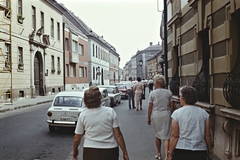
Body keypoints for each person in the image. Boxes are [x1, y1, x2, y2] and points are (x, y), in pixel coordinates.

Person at [73, 86, 129, 160]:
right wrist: (125, 152)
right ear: (100, 98)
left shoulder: (83, 115)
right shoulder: (110, 112)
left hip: (90, 151)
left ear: (85, 101)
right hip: (110, 150)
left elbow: (77, 137)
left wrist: (75, 150)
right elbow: (118, 135)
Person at [167, 86, 212, 160]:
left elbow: (174, 135)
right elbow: (207, 135)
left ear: (184, 98)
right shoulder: (204, 114)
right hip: (200, 150)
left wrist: (170, 153)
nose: (179, 98)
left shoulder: (177, 113)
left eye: (180, 96)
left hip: (182, 149)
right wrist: (210, 151)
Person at [147, 75, 174, 160]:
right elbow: (171, 105)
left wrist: (148, 117)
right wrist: (172, 115)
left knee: (157, 134)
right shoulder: (168, 93)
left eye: (154, 82)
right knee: (166, 135)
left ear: (157, 83)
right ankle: (166, 155)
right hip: (166, 113)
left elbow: (150, 107)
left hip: (157, 114)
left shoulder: (152, 93)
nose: (154, 84)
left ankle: (158, 153)